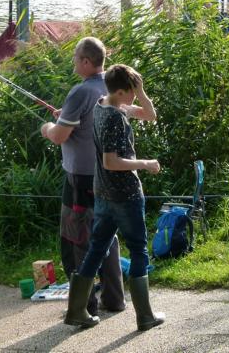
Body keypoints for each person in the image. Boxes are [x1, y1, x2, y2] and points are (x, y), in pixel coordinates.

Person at [64, 64, 164, 331]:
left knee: (97, 249)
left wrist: (140, 91)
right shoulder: (115, 118)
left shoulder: (102, 104)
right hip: (125, 194)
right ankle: (145, 316)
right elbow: (111, 162)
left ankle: (76, 311)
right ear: (121, 92)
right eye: (132, 91)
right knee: (139, 250)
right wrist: (145, 164)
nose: (134, 96)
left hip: (103, 193)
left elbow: (150, 115)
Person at [40, 37, 125, 315]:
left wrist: (47, 127)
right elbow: (85, 121)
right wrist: (66, 115)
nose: (74, 62)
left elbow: (59, 136)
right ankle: (114, 299)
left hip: (80, 179)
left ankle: (83, 307)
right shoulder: (110, 86)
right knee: (107, 235)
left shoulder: (80, 91)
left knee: (75, 240)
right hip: (108, 174)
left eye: (76, 57)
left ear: (86, 62)